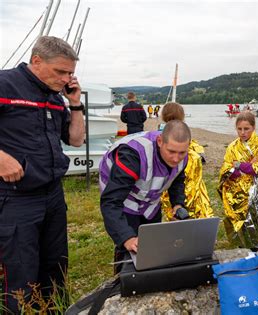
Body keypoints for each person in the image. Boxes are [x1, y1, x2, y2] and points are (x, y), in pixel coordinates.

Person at [0, 36, 85, 312]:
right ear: (37, 61)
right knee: (20, 273)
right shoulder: (5, 84)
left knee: (55, 266)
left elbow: (74, 140)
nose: (66, 78)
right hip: (15, 198)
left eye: (70, 72)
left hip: (52, 194)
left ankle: (56, 309)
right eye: (60, 71)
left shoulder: (55, 96)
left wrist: (74, 104)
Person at [99, 120, 191, 273]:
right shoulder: (132, 155)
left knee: (151, 241)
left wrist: (177, 203)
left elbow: (177, 180)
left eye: (181, 153)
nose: (176, 159)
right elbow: (111, 202)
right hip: (125, 197)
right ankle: (122, 277)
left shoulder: (182, 156)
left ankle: (150, 273)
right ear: (160, 141)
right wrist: (126, 237)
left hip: (150, 199)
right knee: (130, 246)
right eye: (171, 152)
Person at [218, 111, 258, 250]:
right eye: (239, 129)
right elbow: (225, 168)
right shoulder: (232, 146)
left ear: (253, 128)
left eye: (246, 129)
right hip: (235, 191)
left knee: (254, 220)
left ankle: (255, 247)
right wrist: (246, 166)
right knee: (237, 222)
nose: (242, 132)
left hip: (254, 191)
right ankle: (239, 247)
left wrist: (239, 165)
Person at [159, 102, 214, 219]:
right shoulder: (191, 148)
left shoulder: (162, 142)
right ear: (182, 117)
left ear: (163, 117)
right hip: (189, 193)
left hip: (171, 191)